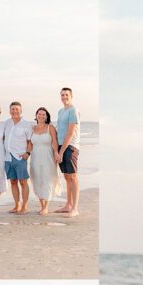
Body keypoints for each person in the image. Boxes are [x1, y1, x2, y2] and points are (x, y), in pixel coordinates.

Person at [29, 107, 61, 215]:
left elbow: (55, 142)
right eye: (39, 114)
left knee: (47, 180)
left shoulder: (50, 128)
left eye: (43, 114)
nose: (41, 116)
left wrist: (56, 153)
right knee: (37, 180)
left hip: (48, 157)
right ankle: (42, 205)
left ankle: (46, 207)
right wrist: (25, 154)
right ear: (36, 115)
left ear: (46, 116)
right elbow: (29, 144)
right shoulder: (32, 128)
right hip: (35, 158)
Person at [55, 87, 82, 217]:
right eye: (62, 95)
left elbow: (70, 133)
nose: (64, 97)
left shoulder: (73, 110)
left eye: (66, 95)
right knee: (66, 176)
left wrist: (61, 152)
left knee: (73, 176)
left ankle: (75, 208)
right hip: (61, 146)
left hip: (70, 147)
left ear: (71, 96)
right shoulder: (60, 111)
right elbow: (59, 129)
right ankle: (68, 205)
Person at [3, 101, 33, 214]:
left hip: (20, 158)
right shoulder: (7, 123)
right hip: (8, 157)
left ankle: (25, 206)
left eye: (17, 109)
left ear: (21, 111)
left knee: (23, 182)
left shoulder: (26, 124)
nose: (14, 111)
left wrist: (27, 153)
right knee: (13, 182)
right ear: (10, 110)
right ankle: (17, 205)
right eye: (12, 109)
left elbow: (30, 141)